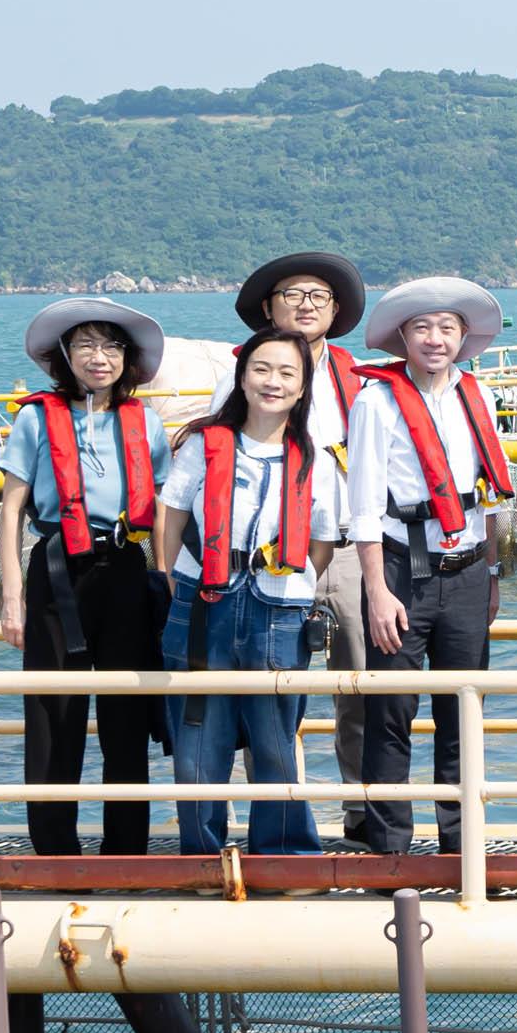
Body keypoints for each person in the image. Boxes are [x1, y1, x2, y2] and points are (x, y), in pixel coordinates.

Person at [153, 328, 342, 855]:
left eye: (287, 373)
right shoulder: (203, 444)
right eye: (261, 369)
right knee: (198, 737)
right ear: (241, 376)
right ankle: (202, 854)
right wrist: (174, 578)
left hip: (279, 611)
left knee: (275, 737)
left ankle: (284, 855)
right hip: (201, 602)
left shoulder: (317, 459)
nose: (272, 382)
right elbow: (170, 514)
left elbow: (323, 539)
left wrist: (291, 580)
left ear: (303, 388)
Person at [346, 276, 515, 856]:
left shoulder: (481, 397)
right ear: (402, 338)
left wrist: (491, 575)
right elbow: (364, 505)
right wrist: (376, 591)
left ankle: (460, 845)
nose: (435, 339)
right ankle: (390, 848)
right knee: (390, 711)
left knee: (463, 710)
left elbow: (489, 497)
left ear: (464, 338)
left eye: (447, 328)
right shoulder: (375, 402)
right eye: (422, 328)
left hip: (468, 569)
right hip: (400, 570)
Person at [0, 298, 171, 857]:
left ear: (128, 358)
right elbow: (9, 510)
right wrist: (11, 597)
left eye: (111, 345)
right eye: (86, 345)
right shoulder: (34, 417)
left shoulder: (144, 419)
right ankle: (54, 851)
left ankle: (127, 851)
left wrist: (164, 577)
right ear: (64, 355)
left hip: (125, 567)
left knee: (127, 711)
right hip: (55, 570)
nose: (100, 358)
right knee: (55, 712)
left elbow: (167, 505)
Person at [232, 250, 377, 841]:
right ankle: (280, 823)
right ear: (268, 308)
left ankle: (364, 817)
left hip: (345, 551)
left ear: (336, 310)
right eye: (293, 294)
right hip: (267, 557)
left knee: (361, 686)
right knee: (269, 692)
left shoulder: (362, 379)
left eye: (319, 295)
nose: (306, 304)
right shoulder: (240, 374)